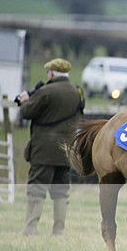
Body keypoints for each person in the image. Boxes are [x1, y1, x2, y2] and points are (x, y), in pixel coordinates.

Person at [17, 57, 84, 236]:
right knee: (61, 192)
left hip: (43, 150)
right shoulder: (77, 92)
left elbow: (26, 112)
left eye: (48, 72)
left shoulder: (46, 91)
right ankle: (58, 231)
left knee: (36, 189)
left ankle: (31, 229)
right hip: (65, 149)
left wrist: (25, 100)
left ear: (52, 74)